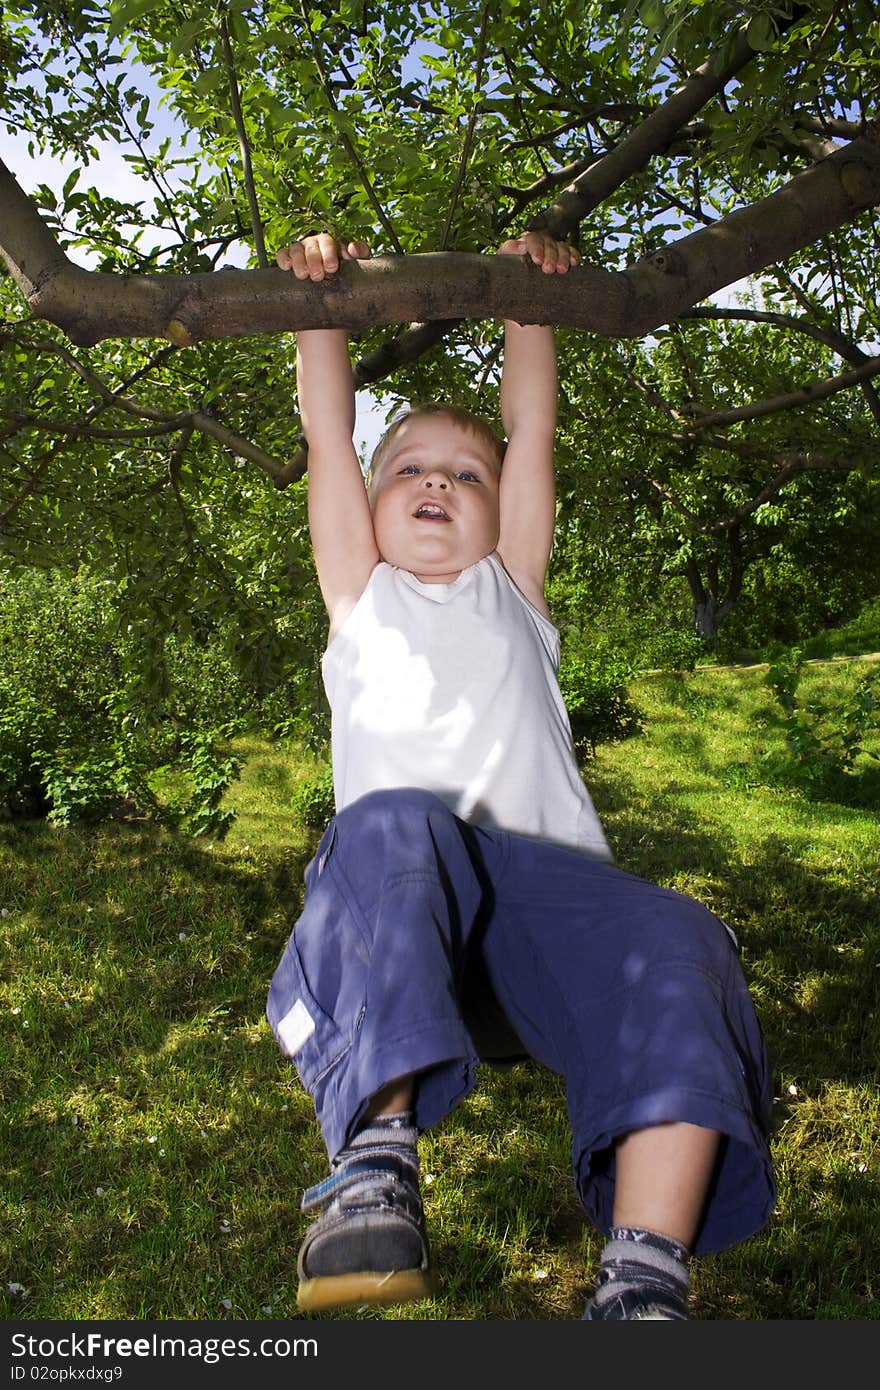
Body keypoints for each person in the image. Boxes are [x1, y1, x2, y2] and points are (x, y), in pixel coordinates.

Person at [267, 229, 775, 1320]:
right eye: (408, 469)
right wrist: (323, 304)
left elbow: (534, 427)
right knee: (394, 824)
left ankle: (645, 1276)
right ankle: (376, 1164)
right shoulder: (360, 599)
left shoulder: (516, 592)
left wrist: (527, 302)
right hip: (408, 929)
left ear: (505, 512)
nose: (438, 483)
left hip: (549, 915)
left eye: (468, 472)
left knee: (681, 932)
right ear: (370, 500)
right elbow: (323, 437)